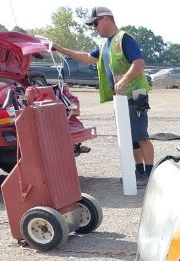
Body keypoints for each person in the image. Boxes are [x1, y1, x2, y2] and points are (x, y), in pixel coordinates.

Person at [53, 6, 154, 187]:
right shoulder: (104, 44)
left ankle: (149, 173)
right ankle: (139, 171)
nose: (94, 28)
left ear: (106, 19)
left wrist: (124, 80)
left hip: (136, 94)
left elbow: (138, 63)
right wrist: (61, 49)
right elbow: (86, 57)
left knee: (141, 135)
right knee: (129, 137)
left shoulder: (124, 39)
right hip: (122, 98)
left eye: (95, 23)